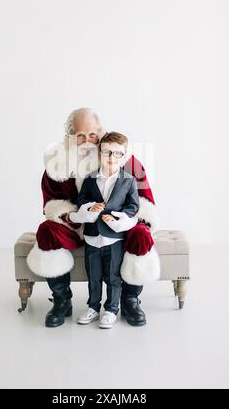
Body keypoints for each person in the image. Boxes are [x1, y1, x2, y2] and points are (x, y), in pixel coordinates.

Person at [26, 108, 160, 328]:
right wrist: (72, 215)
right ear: (70, 137)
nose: (87, 142)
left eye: (92, 135)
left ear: (101, 133)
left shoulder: (125, 160)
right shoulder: (57, 166)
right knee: (47, 231)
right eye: (80, 135)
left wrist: (126, 221)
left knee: (141, 234)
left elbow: (143, 203)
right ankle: (62, 301)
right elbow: (51, 204)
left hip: (116, 228)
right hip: (77, 226)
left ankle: (129, 300)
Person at [75, 132, 139, 329]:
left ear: (124, 155)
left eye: (117, 154)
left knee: (113, 277)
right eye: (107, 152)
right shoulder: (90, 178)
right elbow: (81, 200)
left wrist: (119, 217)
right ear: (99, 153)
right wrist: (90, 206)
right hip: (93, 237)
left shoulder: (128, 180)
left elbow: (133, 206)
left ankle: (112, 309)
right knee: (93, 276)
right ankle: (93, 307)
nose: (111, 158)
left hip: (113, 238)